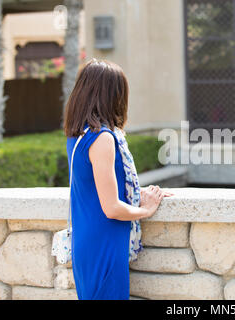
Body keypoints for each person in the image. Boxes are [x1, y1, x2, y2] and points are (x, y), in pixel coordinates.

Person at [63, 59, 172, 300]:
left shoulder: (77, 135)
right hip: (105, 244)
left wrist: (136, 192)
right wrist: (146, 209)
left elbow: (95, 185)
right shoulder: (102, 138)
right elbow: (111, 208)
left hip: (87, 241)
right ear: (113, 96)